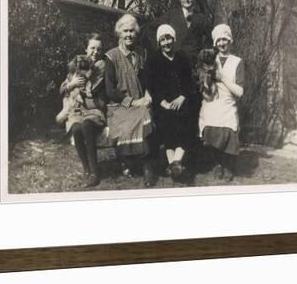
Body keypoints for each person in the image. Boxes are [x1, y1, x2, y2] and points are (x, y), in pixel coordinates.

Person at [104, 14, 156, 187]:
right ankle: (127, 162)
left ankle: (148, 168)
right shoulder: (111, 56)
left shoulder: (142, 53)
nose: (129, 35)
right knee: (130, 122)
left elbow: (148, 78)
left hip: (141, 101)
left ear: (136, 33)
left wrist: (148, 94)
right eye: (125, 31)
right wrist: (132, 102)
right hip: (119, 105)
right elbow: (110, 90)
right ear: (119, 33)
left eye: (132, 31)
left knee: (146, 117)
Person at [147, 24, 196, 181]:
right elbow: (151, 86)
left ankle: (175, 164)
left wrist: (182, 96)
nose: (166, 42)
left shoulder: (182, 58)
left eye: (169, 38)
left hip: (182, 101)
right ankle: (176, 165)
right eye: (163, 39)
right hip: (163, 103)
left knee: (187, 120)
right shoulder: (154, 60)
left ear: (173, 40)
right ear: (159, 42)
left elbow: (190, 83)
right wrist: (162, 102)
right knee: (166, 122)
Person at [58, 33, 107, 187]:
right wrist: (71, 84)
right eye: (92, 48)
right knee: (76, 128)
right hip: (77, 111)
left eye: (99, 49)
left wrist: (81, 86)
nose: (95, 52)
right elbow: (62, 88)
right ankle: (86, 167)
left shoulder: (101, 66)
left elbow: (93, 87)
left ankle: (94, 171)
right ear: (86, 49)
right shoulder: (77, 65)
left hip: (95, 109)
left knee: (86, 124)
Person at [198, 24, 245, 181]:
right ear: (215, 42)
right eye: (219, 40)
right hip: (212, 101)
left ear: (230, 40)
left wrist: (221, 78)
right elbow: (203, 81)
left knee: (229, 124)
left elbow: (239, 91)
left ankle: (228, 165)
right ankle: (218, 163)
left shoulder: (237, 62)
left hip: (228, 102)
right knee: (209, 122)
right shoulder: (210, 58)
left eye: (225, 39)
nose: (222, 43)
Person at [155, 0, 212, 67]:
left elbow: (210, 39)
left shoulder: (202, 18)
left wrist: (203, 53)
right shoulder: (170, 16)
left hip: (195, 64)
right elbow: (154, 31)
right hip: (175, 62)